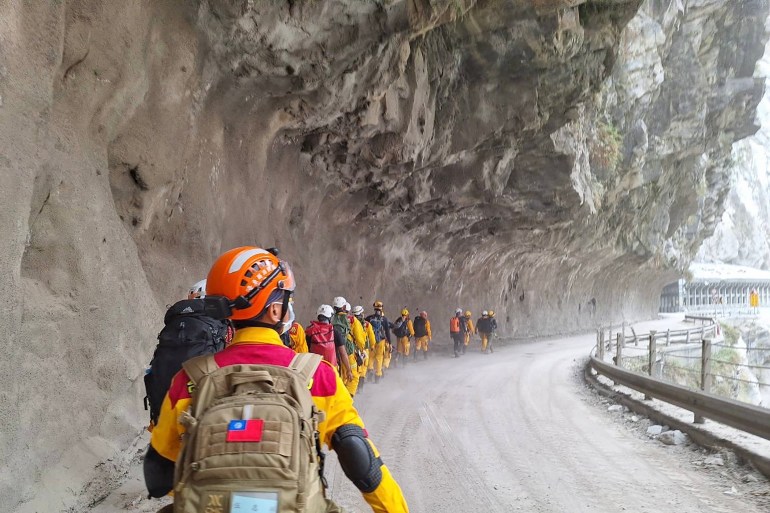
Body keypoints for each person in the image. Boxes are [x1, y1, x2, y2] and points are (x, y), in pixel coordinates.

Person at [144, 246, 409, 512]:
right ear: (273, 311)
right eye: (286, 299)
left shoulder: (188, 379)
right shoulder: (318, 375)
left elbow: (158, 479)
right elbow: (361, 459)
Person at [366, 301, 392, 383]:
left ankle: (370, 370)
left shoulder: (369, 318)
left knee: (371, 356)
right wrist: (390, 343)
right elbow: (387, 332)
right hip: (381, 341)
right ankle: (378, 375)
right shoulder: (384, 319)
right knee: (379, 358)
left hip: (371, 341)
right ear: (381, 309)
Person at [353, 305, 376, 389]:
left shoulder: (351, 323)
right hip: (364, 349)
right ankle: (360, 388)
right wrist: (373, 345)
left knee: (356, 367)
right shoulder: (366, 324)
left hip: (354, 349)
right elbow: (371, 336)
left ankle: (355, 386)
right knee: (364, 367)